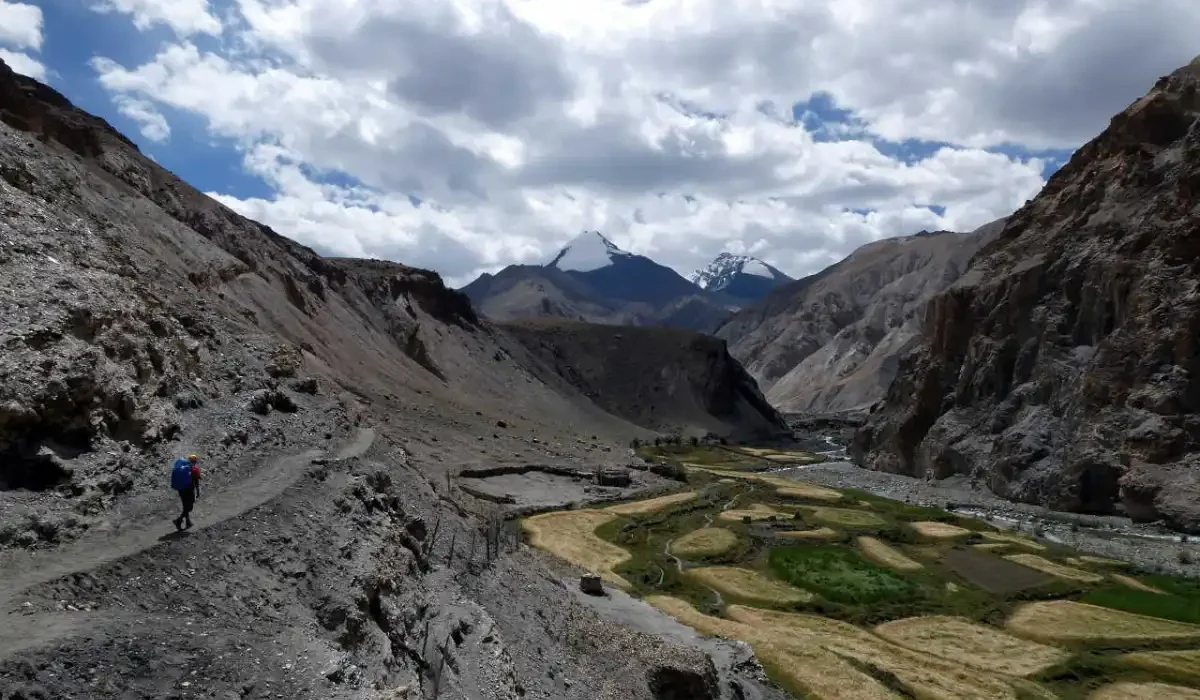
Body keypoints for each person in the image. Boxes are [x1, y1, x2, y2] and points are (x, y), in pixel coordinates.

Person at [171, 453, 202, 531]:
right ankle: (179, 520)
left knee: (185, 505)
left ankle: (188, 522)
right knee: (189, 507)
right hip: (189, 490)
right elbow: (196, 482)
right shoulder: (194, 469)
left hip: (181, 490)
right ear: (195, 461)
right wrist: (198, 492)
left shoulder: (183, 468)